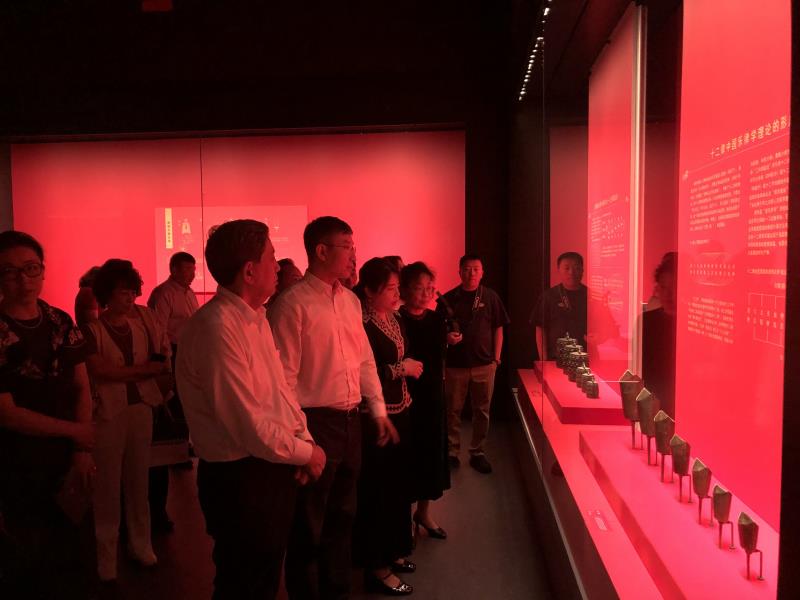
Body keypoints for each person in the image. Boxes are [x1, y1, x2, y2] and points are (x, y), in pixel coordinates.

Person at [176, 219, 326, 600]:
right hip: (240, 480)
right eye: (271, 258)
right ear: (249, 271)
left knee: (264, 577)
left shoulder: (254, 318)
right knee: (243, 584)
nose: (277, 266)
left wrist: (304, 442)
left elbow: (280, 394)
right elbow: (248, 425)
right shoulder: (216, 328)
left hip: (266, 469)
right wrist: (307, 453)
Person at [269, 216, 396, 600]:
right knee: (308, 526)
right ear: (321, 250)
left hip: (350, 421)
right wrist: (302, 440)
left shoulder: (350, 301)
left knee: (342, 520)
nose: (354, 255)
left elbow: (364, 361)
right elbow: (283, 382)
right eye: (347, 247)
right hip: (314, 423)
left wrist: (378, 411)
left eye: (354, 246)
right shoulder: (291, 304)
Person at [0, 230, 97, 599]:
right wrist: (77, 433)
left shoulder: (59, 321)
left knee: (74, 558)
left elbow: (82, 386)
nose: (23, 279)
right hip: (16, 466)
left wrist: (82, 450)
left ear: (42, 270)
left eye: (31, 268)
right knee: (28, 564)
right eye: (10, 271)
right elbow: (7, 414)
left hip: (68, 461)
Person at [83, 258, 169, 582]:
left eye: (132, 291)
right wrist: (141, 371)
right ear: (107, 293)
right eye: (123, 292)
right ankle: (106, 556)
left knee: (138, 480)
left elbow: (156, 362)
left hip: (141, 407)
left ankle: (140, 545)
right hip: (108, 412)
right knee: (107, 485)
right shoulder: (92, 330)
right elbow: (100, 371)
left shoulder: (140, 326)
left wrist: (128, 373)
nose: (130, 297)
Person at [353, 258, 421, 596]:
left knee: (397, 487)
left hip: (401, 409)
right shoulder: (361, 324)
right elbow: (361, 373)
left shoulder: (393, 318)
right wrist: (400, 369)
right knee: (378, 491)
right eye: (391, 289)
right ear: (370, 291)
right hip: (376, 417)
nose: (397, 294)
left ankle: (393, 550)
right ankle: (376, 566)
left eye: (397, 288)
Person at [437, 254, 509, 474]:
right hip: (455, 365)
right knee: (452, 411)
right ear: (459, 271)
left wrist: (496, 359)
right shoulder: (448, 298)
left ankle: (477, 452)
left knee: (482, 411)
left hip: (485, 364)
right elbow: (436, 330)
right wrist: (446, 338)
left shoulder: (491, 297)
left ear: (482, 272)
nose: (471, 273)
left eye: (476, 269)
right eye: (467, 269)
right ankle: (452, 452)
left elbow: (498, 327)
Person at [399, 262, 452, 541]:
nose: (426, 293)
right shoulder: (396, 320)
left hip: (432, 396)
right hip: (405, 398)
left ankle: (424, 512)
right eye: (419, 288)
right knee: (408, 455)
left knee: (431, 453)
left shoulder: (436, 320)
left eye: (430, 288)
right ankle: (403, 518)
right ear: (404, 289)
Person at [146, 251, 198, 532]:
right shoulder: (164, 293)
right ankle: (176, 452)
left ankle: (181, 449)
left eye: (193, 269)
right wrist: (165, 359)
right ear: (174, 269)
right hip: (172, 352)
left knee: (186, 399)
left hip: (187, 351)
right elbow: (159, 328)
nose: (192, 274)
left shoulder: (189, 294)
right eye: (187, 269)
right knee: (174, 401)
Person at [532, 252, 588, 361]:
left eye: (576, 268)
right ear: (559, 270)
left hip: (586, 358)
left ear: (582, 270)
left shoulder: (591, 296)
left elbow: (608, 329)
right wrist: (543, 359)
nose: (571, 272)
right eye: (567, 268)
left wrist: (599, 337)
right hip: (556, 358)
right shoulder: (549, 296)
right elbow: (540, 328)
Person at [641, 252, 677, 418]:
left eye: (674, 288)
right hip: (655, 410)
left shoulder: (696, 326)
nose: (668, 295)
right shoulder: (647, 322)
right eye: (663, 287)